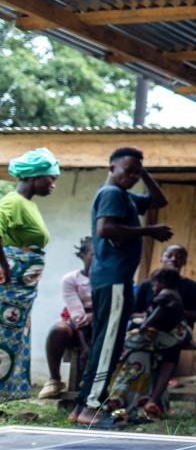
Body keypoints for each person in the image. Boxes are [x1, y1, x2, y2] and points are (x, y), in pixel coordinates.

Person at [70, 147, 171, 426]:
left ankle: (81, 407)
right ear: (111, 168)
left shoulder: (124, 196)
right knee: (108, 345)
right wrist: (149, 231)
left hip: (113, 279)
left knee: (106, 343)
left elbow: (159, 201)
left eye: (137, 173)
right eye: (128, 170)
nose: (133, 177)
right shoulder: (112, 194)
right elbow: (105, 229)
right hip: (113, 279)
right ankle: (91, 406)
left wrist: (144, 172)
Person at [0, 148, 59, 402]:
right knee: (3, 337)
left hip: (22, 289)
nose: (53, 184)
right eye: (51, 178)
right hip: (10, 285)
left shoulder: (28, 205)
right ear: (35, 177)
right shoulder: (12, 202)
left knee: (12, 339)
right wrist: (5, 266)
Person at [105, 267, 190, 420]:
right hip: (174, 333)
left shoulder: (166, 294)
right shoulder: (174, 294)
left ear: (163, 283)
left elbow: (159, 310)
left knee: (130, 340)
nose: (153, 288)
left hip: (171, 335)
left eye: (154, 285)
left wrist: (145, 324)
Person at [132, 244, 196, 406]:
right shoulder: (147, 285)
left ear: (184, 262)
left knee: (171, 349)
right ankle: (136, 398)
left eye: (179, 256)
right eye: (169, 255)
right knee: (139, 349)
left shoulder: (192, 287)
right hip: (150, 332)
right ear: (161, 259)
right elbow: (133, 313)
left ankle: (154, 400)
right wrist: (146, 316)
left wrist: (179, 312)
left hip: (176, 334)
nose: (174, 259)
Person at [38, 237, 94, 399]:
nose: (97, 259)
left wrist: (95, 316)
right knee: (58, 330)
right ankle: (54, 379)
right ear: (83, 255)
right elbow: (77, 316)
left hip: (101, 324)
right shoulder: (71, 279)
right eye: (93, 254)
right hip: (78, 324)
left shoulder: (108, 279)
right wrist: (84, 347)